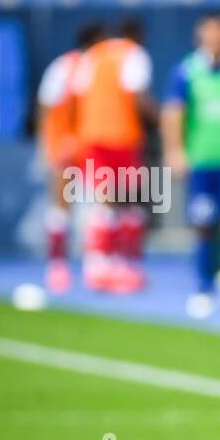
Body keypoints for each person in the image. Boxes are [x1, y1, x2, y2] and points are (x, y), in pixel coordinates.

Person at [161, 12, 220, 318]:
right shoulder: (187, 70)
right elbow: (173, 112)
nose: (215, 39)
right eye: (209, 33)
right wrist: (175, 151)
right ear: (200, 37)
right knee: (204, 224)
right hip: (202, 161)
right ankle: (204, 286)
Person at [69, 19, 155, 293]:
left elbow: (77, 95)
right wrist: (160, 117)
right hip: (123, 136)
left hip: (92, 135)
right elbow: (137, 95)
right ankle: (121, 263)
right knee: (126, 203)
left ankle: (98, 265)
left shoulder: (94, 54)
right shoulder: (134, 54)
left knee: (104, 202)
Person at [35, 22, 102, 294]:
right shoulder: (65, 67)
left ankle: (95, 265)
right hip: (66, 145)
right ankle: (57, 266)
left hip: (93, 145)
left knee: (98, 206)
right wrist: (47, 144)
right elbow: (47, 105)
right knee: (62, 205)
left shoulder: (100, 68)